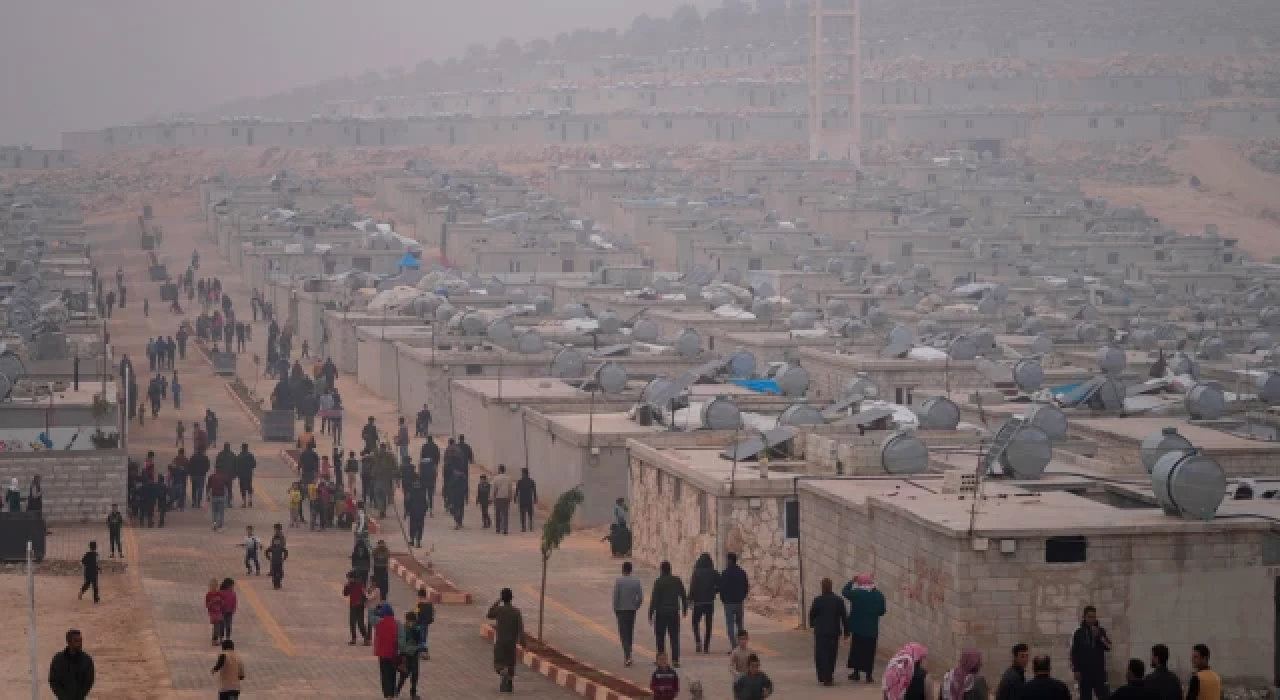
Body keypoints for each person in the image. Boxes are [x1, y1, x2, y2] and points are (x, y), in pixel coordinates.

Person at [843, 573, 886, 682]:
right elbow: (882, 611)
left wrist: (851, 581)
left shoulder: (857, 593)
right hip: (872, 630)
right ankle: (868, 675)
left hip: (858, 629)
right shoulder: (879, 595)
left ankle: (856, 673)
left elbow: (844, 592)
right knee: (870, 652)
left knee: (857, 651)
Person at [649, 560, 689, 667]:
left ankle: (661, 660)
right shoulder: (677, 580)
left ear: (661, 570)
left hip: (661, 613)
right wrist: (685, 609)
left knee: (660, 637)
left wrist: (650, 613)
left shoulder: (658, 582)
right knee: (674, 637)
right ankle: (675, 660)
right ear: (670, 569)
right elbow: (684, 596)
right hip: (673, 613)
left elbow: (654, 599)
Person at [808, 577, 848, 686]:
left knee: (821, 655)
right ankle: (829, 676)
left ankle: (823, 676)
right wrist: (846, 632)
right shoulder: (838, 600)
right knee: (831, 654)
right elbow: (844, 617)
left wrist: (812, 625)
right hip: (833, 632)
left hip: (821, 632)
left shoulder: (818, 600)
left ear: (822, 587)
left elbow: (812, 614)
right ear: (831, 587)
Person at [1069, 605, 1112, 700]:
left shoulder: (1101, 631)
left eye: (1094, 617)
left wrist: (1099, 636)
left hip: (1099, 672)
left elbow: (1109, 646)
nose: (1092, 619)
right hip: (1084, 673)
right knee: (1085, 697)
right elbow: (1074, 653)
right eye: (1089, 617)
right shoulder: (1078, 633)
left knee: (1103, 696)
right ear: (1084, 617)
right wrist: (1076, 670)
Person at [488, 588, 525, 693]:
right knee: (510, 664)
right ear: (512, 598)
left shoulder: (499, 610)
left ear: (502, 598)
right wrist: (523, 644)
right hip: (511, 644)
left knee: (498, 664)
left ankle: (503, 673)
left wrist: (497, 601)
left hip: (500, 643)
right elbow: (520, 630)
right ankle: (508, 680)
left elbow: (489, 614)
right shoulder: (516, 612)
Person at [612, 561, 644, 666]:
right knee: (630, 633)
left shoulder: (619, 581)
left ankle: (627, 656)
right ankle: (629, 652)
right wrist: (636, 606)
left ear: (623, 570)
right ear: (631, 570)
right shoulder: (636, 581)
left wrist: (615, 608)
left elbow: (616, 596)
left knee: (623, 634)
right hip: (632, 611)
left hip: (621, 611)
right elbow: (640, 597)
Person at [48, 629, 95, 700]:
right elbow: (53, 680)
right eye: (76, 641)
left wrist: (79, 697)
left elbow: (88, 681)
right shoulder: (58, 660)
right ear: (69, 642)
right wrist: (63, 697)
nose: (79, 643)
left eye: (80, 640)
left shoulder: (87, 660)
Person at [689, 552, 719, 654]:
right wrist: (714, 591)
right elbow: (720, 584)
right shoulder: (713, 572)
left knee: (695, 622)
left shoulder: (696, 572)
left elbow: (692, 587)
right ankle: (706, 646)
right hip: (709, 602)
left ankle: (698, 640)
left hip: (698, 602)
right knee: (708, 625)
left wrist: (690, 599)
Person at [373, 603, 401, 700]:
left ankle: (387, 695)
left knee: (385, 675)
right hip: (393, 653)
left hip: (383, 654)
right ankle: (392, 694)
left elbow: (378, 638)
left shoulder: (379, 624)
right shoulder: (396, 623)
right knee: (392, 673)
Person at [397, 610, 423, 700]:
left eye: (411, 622)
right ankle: (396, 691)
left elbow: (419, 639)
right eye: (408, 621)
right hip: (406, 655)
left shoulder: (416, 628)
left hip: (414, 654)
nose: (409, 623)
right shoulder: (404, 629)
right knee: (404, 674)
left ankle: (413, 693)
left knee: (415, 674)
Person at [345, 570, 371, 645]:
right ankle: (354, 638)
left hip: (359, 606)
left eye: (349, 578)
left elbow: (364, 596)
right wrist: (347, 586)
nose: (348, 579)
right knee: (352, 623)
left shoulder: (360, 585)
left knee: (360, 623)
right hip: (352, 606)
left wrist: (360, 602)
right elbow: (345, 593)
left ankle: (366, 638)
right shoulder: (350, 585)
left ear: (353, 578)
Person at [414, 587, 436, 661]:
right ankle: (422, 652)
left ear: (420, 596)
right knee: (424, 636)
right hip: (426, 623)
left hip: (420, 623)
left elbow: (416, 613)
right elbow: (433, 611)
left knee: (420, 637)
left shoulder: (419, 604)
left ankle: (423, 652)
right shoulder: (430, 603)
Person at [420, 437, 439, 515]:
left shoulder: (424, 446)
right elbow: (438, 456)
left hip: (424, 480)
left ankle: (424, 508)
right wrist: (436, 464)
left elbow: (420, 473)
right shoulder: (435, 446)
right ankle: (431, 509)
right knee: (430, 494)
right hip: (431, 478)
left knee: (424, 494)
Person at [515, 467, 537, 531]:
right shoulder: (532, 481)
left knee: (522, 514)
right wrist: (535, 499)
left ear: (523, 473)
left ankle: (523, 527)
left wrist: (515, 498)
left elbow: (517, 490)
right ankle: (530, 526)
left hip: (522, 499)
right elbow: (534, 491)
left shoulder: (520, 481)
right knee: (530, 514)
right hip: (529, 499)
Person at [267, 524, 288, 589]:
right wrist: (269, 557)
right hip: (274, 558)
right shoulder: (275, 536)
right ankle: (276, 584)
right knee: (275, 572)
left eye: (276, 529)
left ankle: (278, 583)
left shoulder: (281, 536)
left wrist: (284, 558)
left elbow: (284, 547)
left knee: (280, 573)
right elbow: (268, 549)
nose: (275, 530)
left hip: (279, 557)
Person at [206, 578, 226, 645]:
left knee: (220, 625)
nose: (213, 588)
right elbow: (207, 605)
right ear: (210, 586)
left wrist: (220, 601)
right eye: (212, 586)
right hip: (213, 612)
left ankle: (219, 638)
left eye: (215, 586)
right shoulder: (208, 595)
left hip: (219, 612)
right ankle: (214, 640)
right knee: (216, 625)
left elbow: (223, 603)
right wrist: (212, 601)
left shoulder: (219, 594)